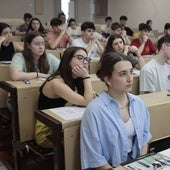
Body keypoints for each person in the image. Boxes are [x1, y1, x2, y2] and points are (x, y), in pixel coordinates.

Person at [81, 52, 152, 169]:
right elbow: (95, 157)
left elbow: (145, 137)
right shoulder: (95, 110)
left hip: (135, 163)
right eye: (123, 74)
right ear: (108, 79)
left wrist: (139, 164)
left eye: (131, 72)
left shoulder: (138, 103)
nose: (130, 79)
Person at [35, 46, 94, 148]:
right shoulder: (56, 82)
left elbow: (94, 96)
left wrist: (84, 78)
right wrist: (86, 76)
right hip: (47, 132)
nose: (84, 62)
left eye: (86, 59)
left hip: (64, 125)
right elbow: (86, 101)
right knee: (89, 141)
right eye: (80, 58)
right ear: (68, 60)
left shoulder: (75, 79)